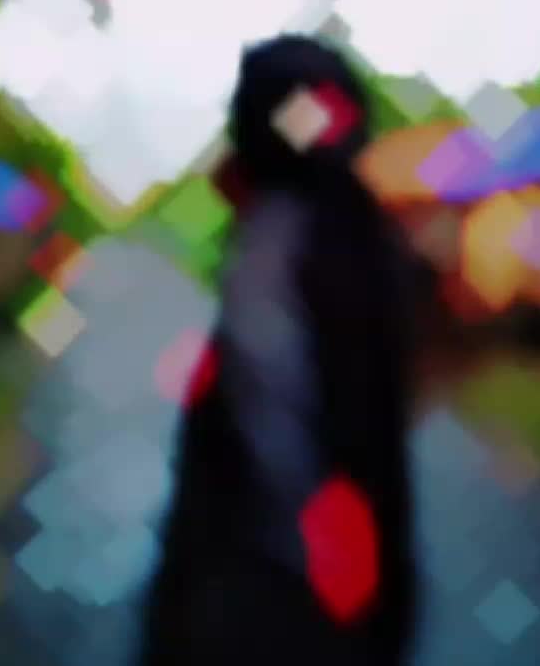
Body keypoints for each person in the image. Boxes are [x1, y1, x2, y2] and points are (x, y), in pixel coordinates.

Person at [139, 34, 419, 666]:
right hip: (263, 563)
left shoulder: (338, 233)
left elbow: (365, 415)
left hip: (305, 568)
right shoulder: (291, 229)